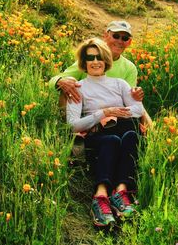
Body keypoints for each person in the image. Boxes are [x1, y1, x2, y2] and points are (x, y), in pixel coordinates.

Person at [67, 37, 144, 227]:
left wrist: (115, 114)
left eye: (99, 57)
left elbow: (137, 110)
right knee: (111, 140)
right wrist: (104, 113)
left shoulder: (119, 84)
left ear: (106, 59)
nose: (95, 61)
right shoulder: (79, 88)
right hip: (99, 136)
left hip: (123, 130)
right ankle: (100, 196)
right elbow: (73, 125)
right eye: (90, 57)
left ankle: (121, 191)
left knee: (131, 135)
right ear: (83, 62)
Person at [49, 20, 152, 128]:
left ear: (129, 42)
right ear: (106, 36)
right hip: (87, 111)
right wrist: (60, 81)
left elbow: (131, 98)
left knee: (140, 108)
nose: (120, 41)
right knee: (69, 83)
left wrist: (135, 94)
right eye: (116, 36)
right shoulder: (90, 59)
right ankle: (67, 130)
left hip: (116, 113)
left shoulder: (129, 67)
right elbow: (54, 81)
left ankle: (149, 137)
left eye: (124, 38)